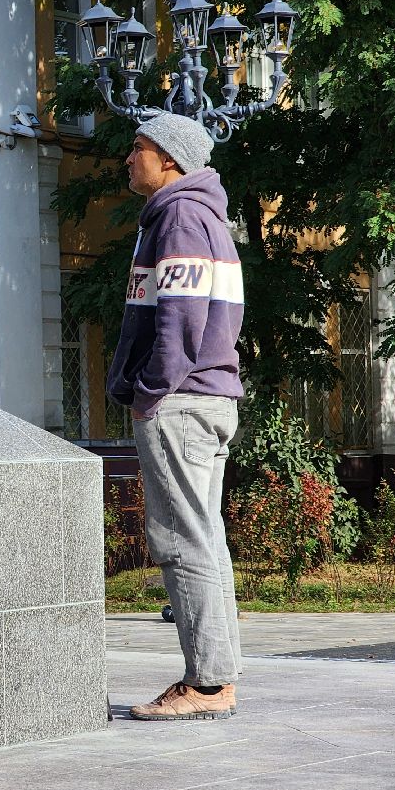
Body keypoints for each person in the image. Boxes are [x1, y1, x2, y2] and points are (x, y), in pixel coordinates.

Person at [107, 113, 245, 721]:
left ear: (168, 159)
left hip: (180, 401)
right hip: (201, 398)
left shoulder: (180, 216)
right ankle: (217, 678)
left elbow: (182, 321)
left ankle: (207, 685)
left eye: (137, 148)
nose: (127, 158)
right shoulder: (192, 214)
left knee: (183, 539)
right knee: (204, 538)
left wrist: (148, 391)